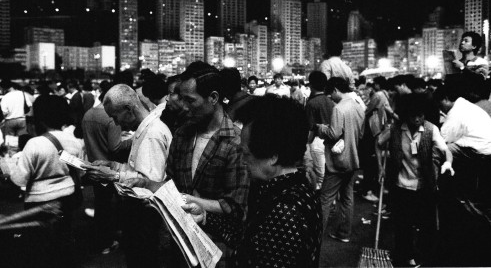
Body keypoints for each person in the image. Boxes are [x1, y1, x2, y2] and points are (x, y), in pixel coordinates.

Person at [128, 96, 322, 267]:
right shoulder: (285, 189)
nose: (243, 160)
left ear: (272, 156)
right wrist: (205, 216)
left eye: (246, 153)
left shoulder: (285, 210)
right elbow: (248, 236)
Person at [130, 63, 250, 267]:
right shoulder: (182, 133)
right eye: (181, 98)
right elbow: (171, 182)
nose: (183, 106)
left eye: (190, 100)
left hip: (216, 248)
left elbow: (235, 207)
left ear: (213, 98)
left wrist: (183, 199)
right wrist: (145, 186)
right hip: (179, 242)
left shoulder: (235, 142)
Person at [85, 83, 172, 267]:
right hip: (141, 220)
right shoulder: (145, 129)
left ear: (128, 109)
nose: (116, 123)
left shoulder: (151, 134)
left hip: (146, 221)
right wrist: (113, 166)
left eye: (115, 117)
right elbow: (137, 171)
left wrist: (112, 176)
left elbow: (149, 186)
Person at [378, 93, 454, 266]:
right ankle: (405, 255)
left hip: (424, 185)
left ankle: (422, 256)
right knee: (402, 224)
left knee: (426, 225)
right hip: (401, 184)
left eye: (421, 115)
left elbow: (445, 150)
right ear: (406, 115)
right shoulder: (395, 129)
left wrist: (448, 163)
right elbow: (379, 144)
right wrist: (380, 167)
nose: (418, 119)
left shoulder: (430, 129)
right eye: (414, 116)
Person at [9, 95, 84, 267]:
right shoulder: (74, 142)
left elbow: (19, 179)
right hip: (67, 199)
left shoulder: (34, 144)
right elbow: (79, 170)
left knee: (39, 247)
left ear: (40, 119)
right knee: (62, 240)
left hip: (38, 202)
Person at [81, 81, 132, 254]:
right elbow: (115, 147)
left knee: (101, 206)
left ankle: (102, 241)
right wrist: (133, 140)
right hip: (110, 169)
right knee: (114, 207)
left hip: (94, 166)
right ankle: (110, 240)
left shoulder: (88, 114)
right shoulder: (111, 117)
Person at [316, 77, 365, 243]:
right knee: (347, 197)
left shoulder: (339, 109)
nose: (330, 97)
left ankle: (316, 236)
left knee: (325, 199)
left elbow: (333, 133)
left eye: (331, 94)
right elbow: (360, 133)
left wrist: (321, 128)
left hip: (337, 161)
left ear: (336, 89)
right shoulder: (358, 106)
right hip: (353, 158)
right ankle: (344, 233)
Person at [433, 82, 491, 200]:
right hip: (486, 145)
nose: (441, 110)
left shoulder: (455, 112)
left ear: (445, 99)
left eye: (440, 106)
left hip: (480, 150)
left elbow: (443, 138)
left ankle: (436, 187)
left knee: (441, 150)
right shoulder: (465, 105)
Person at [305, 71, 335, 190]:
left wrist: (306, 144)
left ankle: (322, 205)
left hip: (317, 141)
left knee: (319, 177)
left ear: (311, 85)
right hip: (331, 140)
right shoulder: (331, 101)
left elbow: (310, 127)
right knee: (328, 174)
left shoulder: (312, 103)